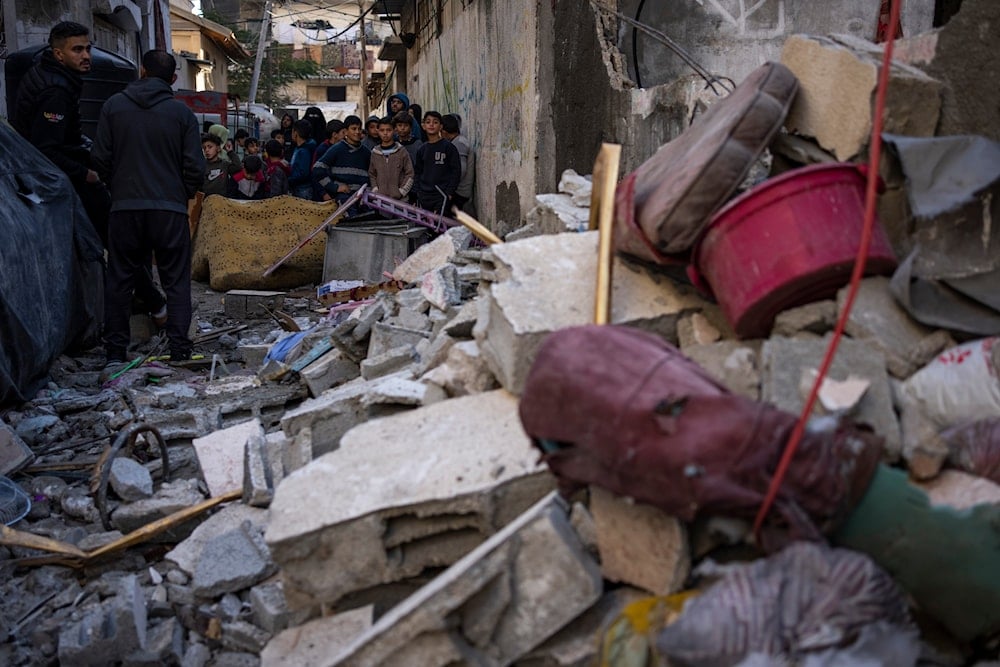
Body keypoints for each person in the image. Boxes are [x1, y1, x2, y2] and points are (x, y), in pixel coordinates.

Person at [10, 21, 167, 326]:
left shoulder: (56, 77)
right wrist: (87, 174)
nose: (86, 55)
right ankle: (156, 304)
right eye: (77, 49)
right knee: (119, 239)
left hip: (61, 169)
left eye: (88, 48)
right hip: (57, 179)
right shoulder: (54, 90)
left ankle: (138, 299)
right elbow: (48, 149)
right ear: (58, 53)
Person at [91, 49, 205, 367]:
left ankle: (115, 352)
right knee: (176, 281)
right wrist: (179, 193)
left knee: (120, 279)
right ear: (173, 79)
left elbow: (99, 158)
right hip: (169, 211)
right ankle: (179, 349)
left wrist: (119, 188)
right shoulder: (181, 115)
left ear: (141, 71)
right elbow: (195, 167)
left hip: (125, 208)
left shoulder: (113, 106)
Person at [312, 115, 371, 205]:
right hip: (343, 197)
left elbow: (372, 174)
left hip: (362, 198)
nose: (357, 132)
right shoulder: (337, 149)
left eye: (359, 129)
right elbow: (317, 169)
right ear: (346, 131)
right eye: (354, 129)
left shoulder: (366, 152)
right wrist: (334, 187)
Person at [412, 111, 461, 215]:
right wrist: (417, 192)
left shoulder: (448, 147)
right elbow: (417, 172)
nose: (431, 125)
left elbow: (456, 171)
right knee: (425, 227)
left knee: (439, 228)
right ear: (423, 126)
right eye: (428, 122)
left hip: (441, 195)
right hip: (424, 196)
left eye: (435, 122)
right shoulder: (422, 149)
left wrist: (449, 193)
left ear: (441, 127)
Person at [368, 116, 414, 202]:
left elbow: (410, 173)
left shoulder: (401, 151)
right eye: (382, 130)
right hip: (380, 201)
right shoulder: (375, 153)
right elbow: (372, 174)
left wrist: (402, 191)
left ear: (394, 130)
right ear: (378, 131)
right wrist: (375, 190)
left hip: (400, 201)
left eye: (388, 130)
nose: (385, 133)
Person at [441, 114, 475, 213]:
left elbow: (461, 171)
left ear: (444, 132)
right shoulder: (456, 142)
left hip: (459, 193)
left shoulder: (459, 144)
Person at [288, 119, 317, 199]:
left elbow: (303, 173)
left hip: (303, 189)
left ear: (295, 133)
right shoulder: (299, 148)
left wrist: (289, 180)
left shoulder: (304, 151)